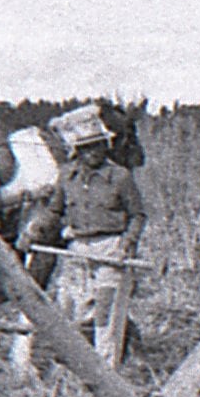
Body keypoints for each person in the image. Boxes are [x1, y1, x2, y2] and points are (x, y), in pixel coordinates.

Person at [34, 107, 143, 368]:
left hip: (110, 249)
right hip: (76, 250)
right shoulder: (67, 177)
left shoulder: (120, 177)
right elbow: (54, 210)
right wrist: (35, 230)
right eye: (86, 148)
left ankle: (108, 373)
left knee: (106, 317)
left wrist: (126, 245)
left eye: (97, 146)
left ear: (105, 146)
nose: (93, 153)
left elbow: (138, 216)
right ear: (77, 152)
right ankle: (80, 372)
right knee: (75, 313)